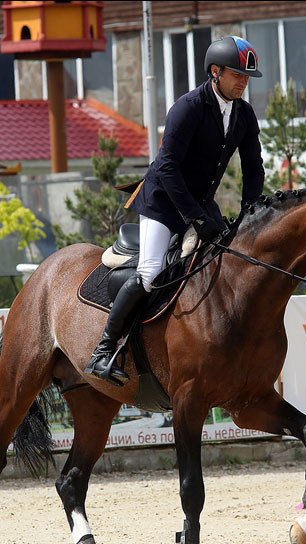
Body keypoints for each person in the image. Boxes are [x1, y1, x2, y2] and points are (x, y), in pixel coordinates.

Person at [84, 35, 265, 384]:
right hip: (163, 202)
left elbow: (254, 168)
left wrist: (249, 213)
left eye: (247, 77)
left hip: (200, 201)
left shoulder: (243, 114)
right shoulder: (189, 106)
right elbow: (167, 167)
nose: (244, 82)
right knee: (151, 272)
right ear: (215, 72)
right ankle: (104, 351)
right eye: (238, 75)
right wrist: (193, 217)